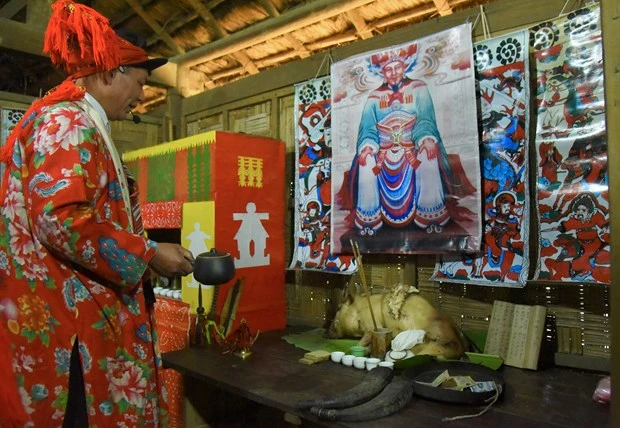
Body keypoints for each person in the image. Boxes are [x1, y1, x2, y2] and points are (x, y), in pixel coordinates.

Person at [0, 1, 194, 426]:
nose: (143, 96)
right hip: (70, 332)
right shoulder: (68, 123)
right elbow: (60, 218)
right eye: (141, 83)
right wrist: (148, 254)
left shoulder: (72, 120)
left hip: (76, 318)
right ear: (110, 73)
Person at [339, 44, 468, 236]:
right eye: (388, 69)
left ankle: (430, 216)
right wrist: (367, 147)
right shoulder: (374, 97)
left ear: (405, 66)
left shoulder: (419, 88)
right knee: (366, 163)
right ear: (382, 72)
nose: (393, 72)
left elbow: (426, 118)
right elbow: (367, 128)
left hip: (413, 146)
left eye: (397, 67)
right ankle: (369, 221)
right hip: (382, 150)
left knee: (428, 156)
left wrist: (426, 139)